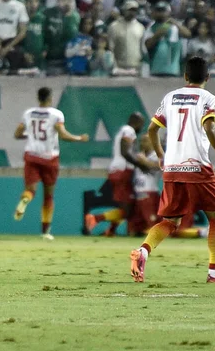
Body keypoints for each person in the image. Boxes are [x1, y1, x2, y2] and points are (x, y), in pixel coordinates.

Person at [130, 56, 215, 283]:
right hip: (198, 166)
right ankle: (214, 272)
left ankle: (143, 251)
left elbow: (152, 130)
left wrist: (162, 157)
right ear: (208, 78)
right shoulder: (208, 98)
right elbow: (210, 128)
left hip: (172, 168)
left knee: (171, 221)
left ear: (185, 76)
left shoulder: (170, 97)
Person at [13, 87, 89, 239]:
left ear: (38, 97)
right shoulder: (56, 114)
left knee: (30, 190)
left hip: (32, 155)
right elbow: (63, 135)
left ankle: (25, 199)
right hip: (50, 157)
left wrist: (32, 136)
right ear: (50, 98)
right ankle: (45, 232)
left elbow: (17, 134)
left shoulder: (28, 114)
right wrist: (79, 138)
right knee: (48, 196)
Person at [85, 112, 148, 235]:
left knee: (127, 206)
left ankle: (111, 230)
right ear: (137, 122)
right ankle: (95, 218)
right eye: (141, 124)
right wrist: (140, 165)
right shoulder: (129, 130)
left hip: (118, 171)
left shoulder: (123, 130)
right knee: (126, 211)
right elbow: (124, 152)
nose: (141, 127)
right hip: (122, 171)